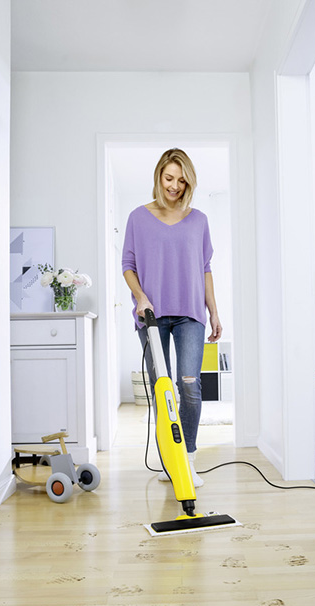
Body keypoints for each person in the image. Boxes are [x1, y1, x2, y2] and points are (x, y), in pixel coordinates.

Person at [121, 148, 222, 487]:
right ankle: (169, 460)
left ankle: (187, 460)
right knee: (162, 391)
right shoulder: (138, 217)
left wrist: (214, 310)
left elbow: (205, 269)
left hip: (191, 314)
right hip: (151, 314)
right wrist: (141, 297)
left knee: (190, 388)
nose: (175, 186)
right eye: (169, 178)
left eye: (182, 180)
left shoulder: (199, 220)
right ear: (158, 176)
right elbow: (128, 266)